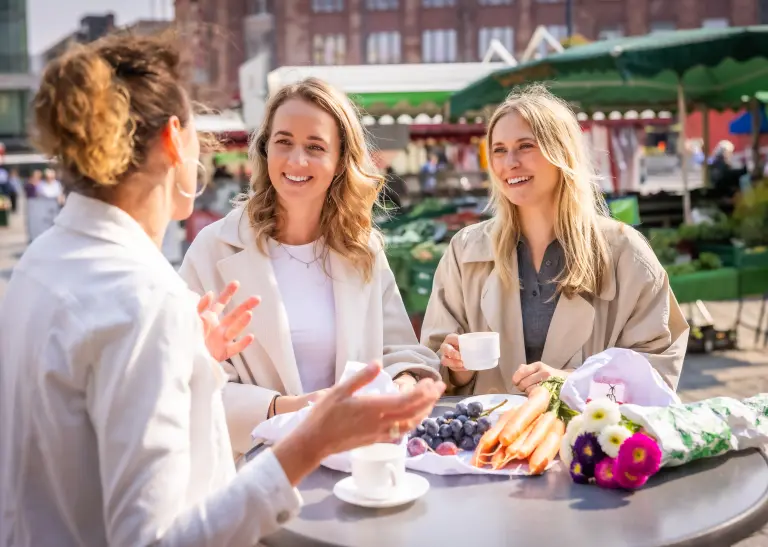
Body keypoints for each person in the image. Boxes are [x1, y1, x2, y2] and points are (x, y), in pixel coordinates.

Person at [0, 33, 445, 546]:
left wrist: (200, 365)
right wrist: (310, 436)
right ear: (174, 139)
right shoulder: (148, 300)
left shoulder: (39, 263)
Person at [179, 77, 441, 460]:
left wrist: (402, 385)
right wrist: (293, 408)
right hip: (253, 471)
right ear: (265, 149)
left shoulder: (363, 250)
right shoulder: (212, 250)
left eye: (315, 147)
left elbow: (400, 350)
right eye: (283, 142)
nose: (296, 160)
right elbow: (187, 378)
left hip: (357, 470)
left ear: (339, 161)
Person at [420, 85, 689, 397]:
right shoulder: (464, 251)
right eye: (499, 150)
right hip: (490, 441)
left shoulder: (625, 253)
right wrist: (455, 370)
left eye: (525, 146)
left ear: (561, 152)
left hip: (588, 440)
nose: (510, 162)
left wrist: (573, 383)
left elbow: (656, 372)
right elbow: (430, 361)